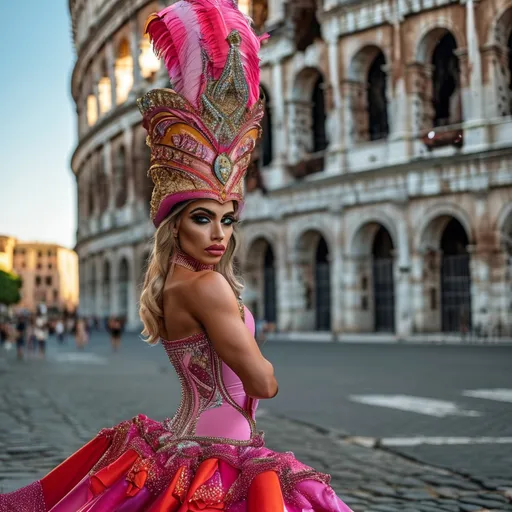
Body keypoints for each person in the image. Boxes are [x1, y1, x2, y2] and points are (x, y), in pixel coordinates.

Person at [0, 2, 352, 510]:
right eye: (202, 218)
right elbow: (263, 383)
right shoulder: (207, 287)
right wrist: (259, 358)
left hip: (184, 443)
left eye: (227, 220)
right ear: (175, 224)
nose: (219, 235)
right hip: (220, 453)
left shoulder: (170, 284)